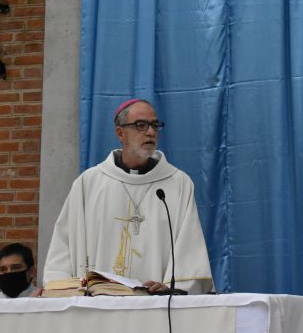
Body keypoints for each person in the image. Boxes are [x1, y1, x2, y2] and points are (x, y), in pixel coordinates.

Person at [43, 99, 214, 294]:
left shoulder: (178, 184)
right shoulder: (88, 184)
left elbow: (189, 249)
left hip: (156, 307)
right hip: (97, 306)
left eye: (154, 125)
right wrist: (61, 289)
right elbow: (63, 246)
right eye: (140, 125)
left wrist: (171, 289)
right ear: (120, 133)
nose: (150, 132)